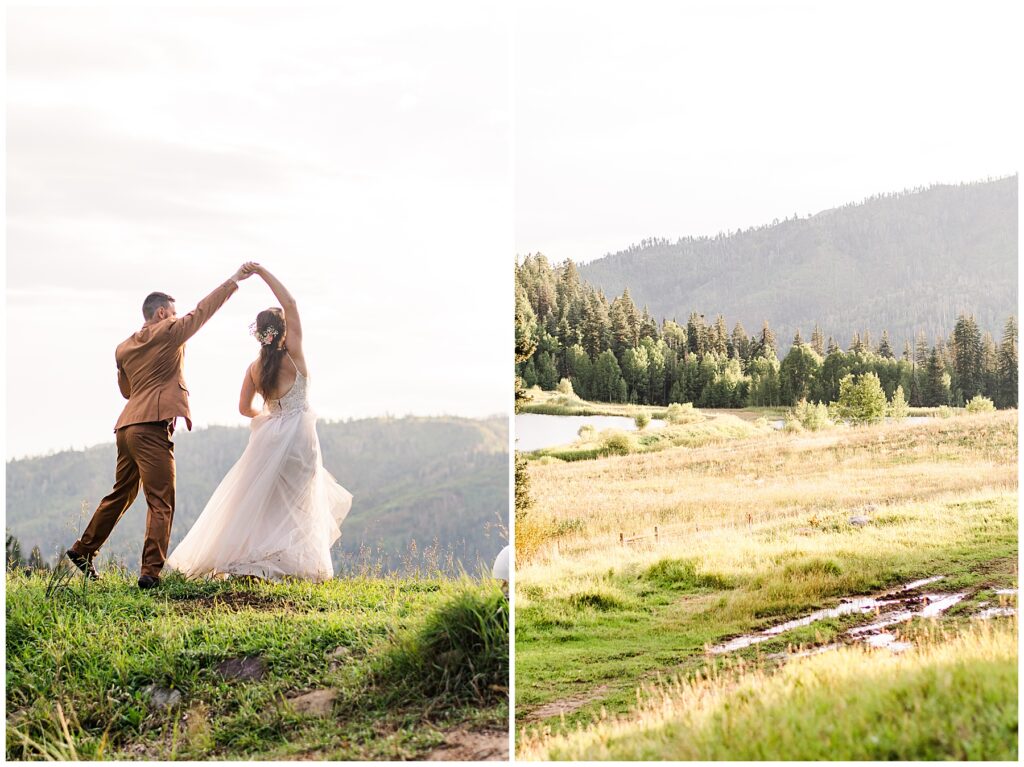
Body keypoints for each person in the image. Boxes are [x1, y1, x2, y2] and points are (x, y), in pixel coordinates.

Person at [66, 264, 257, 589]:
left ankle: (83, 550)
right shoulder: (168, 332)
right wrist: (234, 280)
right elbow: (202, 312)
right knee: (161, 500)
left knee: (121, 494)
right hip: (152, 428)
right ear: (160, 314)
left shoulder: (123, 347)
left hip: (126, 428)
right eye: (172, 313)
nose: (176, 318)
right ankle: (150, 573)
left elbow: (126, 391)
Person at [165, 264, 353, 582]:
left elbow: (244, 408)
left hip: (269, 437)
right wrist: (262, 272)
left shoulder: (254, 368)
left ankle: (256, 560)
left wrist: (270, 418)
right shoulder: (295, 355)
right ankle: (292, 565)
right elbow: (291, 304)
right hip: (299, 438)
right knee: (297, 501)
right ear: (282, 330)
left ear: (260, 333)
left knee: (262, 502)